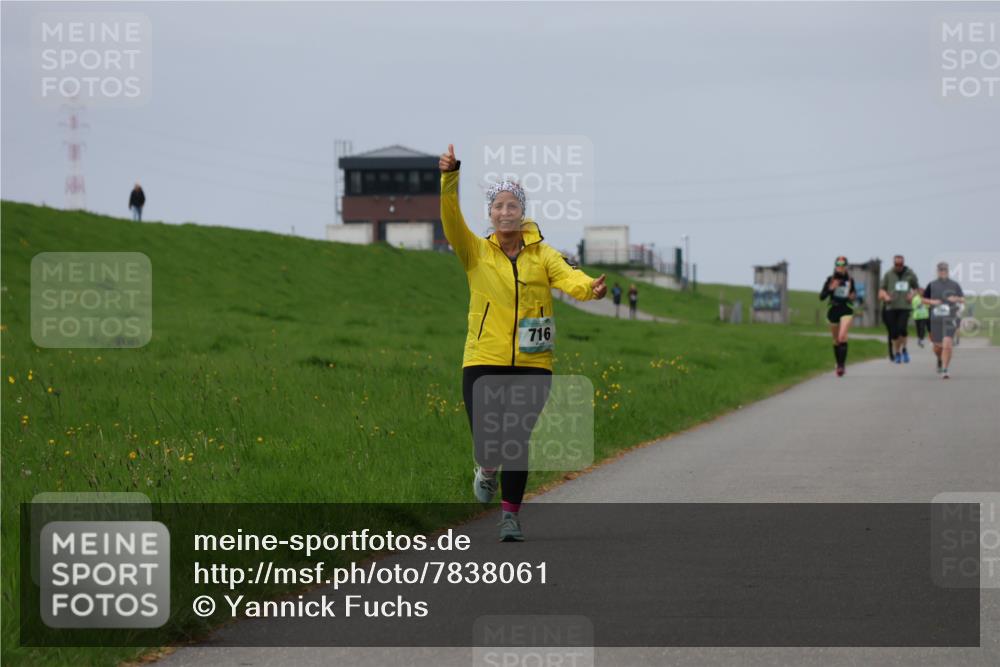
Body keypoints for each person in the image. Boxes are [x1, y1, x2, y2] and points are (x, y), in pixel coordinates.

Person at [439, 144, 606, 542]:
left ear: (523, 211)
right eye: (498, 205)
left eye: (513, 204)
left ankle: (510, 516)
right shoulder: (475, 252)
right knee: (489, 438)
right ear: (490, 214)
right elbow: (449, 220)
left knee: (516, 439)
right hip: (483, 358)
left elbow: (570, 278)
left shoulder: (543, 255)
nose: (505, 211)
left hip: (533, 362)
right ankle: (486, 465)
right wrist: (450, 177)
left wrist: (590, 289)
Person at [922, 262, 965, 379]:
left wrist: (955, 298)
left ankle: (945, 369)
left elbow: (962, 299)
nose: (943, 272)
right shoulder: (931, 285)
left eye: (944, 270)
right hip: (935, 319)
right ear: (937, 271)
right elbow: (923, 299)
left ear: (948, 271)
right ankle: (939, 359)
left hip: (950, 318)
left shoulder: (954, 285)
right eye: (940, 270)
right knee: (937, 348)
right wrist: (932, 302)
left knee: (947, 345)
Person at [819, 256, 856, 377]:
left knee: (842, 337)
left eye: (843, 265)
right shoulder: (830, 279)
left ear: (846, 266)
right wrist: (831, 288)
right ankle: (839, 363)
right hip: (833, 309)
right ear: (835, 266)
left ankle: (841, 366)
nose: (840, 267)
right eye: (838, 265)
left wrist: (852, 296)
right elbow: (822, 297)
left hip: (846, 309)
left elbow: (853, 295)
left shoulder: (850, 280)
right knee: (836, 340)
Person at [878, 255, 919, 364]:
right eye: (897, 264)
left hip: (904, 306)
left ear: (903, 263)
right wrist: (885, 296)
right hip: (891, 307)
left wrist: (912, 295)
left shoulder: (910, 275)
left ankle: (904, 349)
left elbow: (916, 288)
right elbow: (881, 290)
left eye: (901, 264)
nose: (899, 267)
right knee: (894, 333)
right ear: (893, 264)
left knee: (902, 329)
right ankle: (897, 353)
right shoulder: (888, 274)